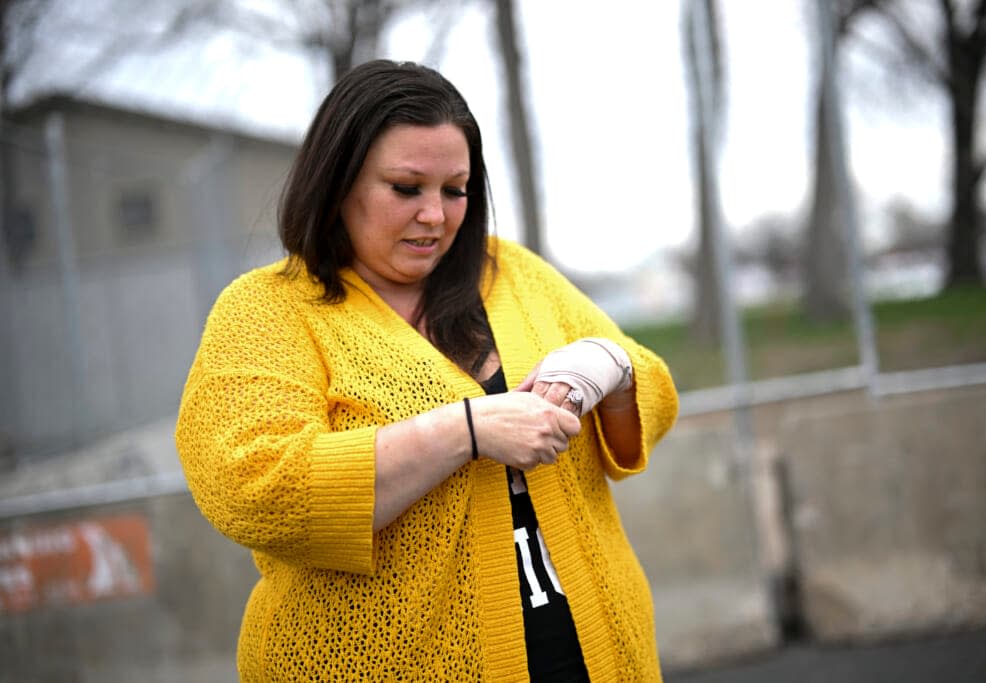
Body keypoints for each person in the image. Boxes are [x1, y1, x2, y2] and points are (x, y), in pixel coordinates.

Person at [175, 59, 679, 682]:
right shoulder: (268, 310)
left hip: (598, 653)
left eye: (455, 190)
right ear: (338, 185)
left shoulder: (511, 272)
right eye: (406, 188)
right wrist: (465, 431)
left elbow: (651, 383)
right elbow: (253, 488)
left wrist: (608, 365)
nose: (436, 216)